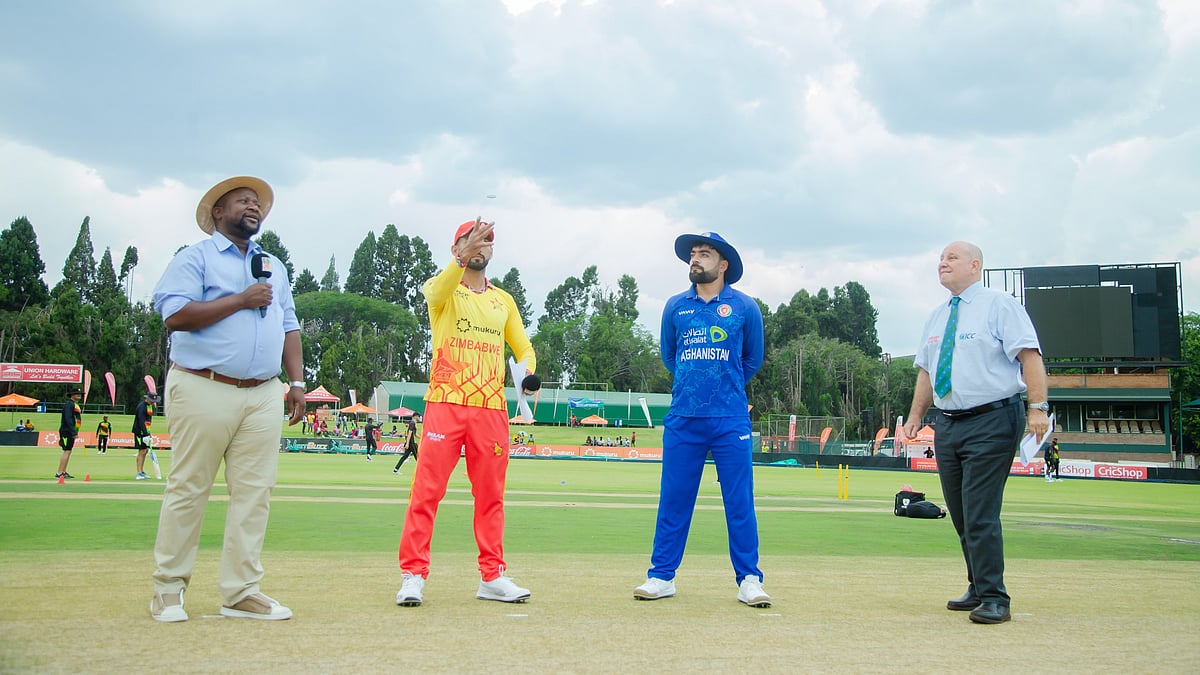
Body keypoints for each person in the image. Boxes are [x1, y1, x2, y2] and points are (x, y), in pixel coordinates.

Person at [147, 176, 305, 623]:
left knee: (255, 494)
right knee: (189, 488)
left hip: (263, 391)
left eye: (257, 203)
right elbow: (175, 315)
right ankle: (168, 589)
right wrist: (241, 300)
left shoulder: (272, 265)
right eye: (242, 200)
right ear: (218, 212)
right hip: (203, 384)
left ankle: (241, 591)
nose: (253, 207)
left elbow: (289, 324)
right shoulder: (194, 258)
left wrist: (297, 382)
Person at [903, 241, 1049, 625]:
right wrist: (916, 415)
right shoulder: (937, 316)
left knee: (980, 511)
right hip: (948, 422)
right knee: (961, 513)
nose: (942, 263)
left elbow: (1030, 356)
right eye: (940, 258)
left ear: (975, 265)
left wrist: (1038, 407)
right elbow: (926, 371)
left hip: (992, 419)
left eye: (951, 258)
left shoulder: (999, 305)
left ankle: (995, 597)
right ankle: (978, 586)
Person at [396, 218, 539, 608]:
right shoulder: (441, 290)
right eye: (471, 239)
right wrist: (460, 258)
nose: (480, 245)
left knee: (491, 496)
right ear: (456, 248)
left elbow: (524, 348)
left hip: (490, 408)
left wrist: (527, 374)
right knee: (427, 492)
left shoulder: (503, 300)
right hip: (445, 401)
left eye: (486, 240)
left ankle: (492, 576)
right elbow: (437, 289)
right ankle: (413, 575)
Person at [634, 231, 769, 608]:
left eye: (704, 254)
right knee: (674, 499)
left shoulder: (744, 307)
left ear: (723, 264)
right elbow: (670, 356)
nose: (695, 259)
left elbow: (752, 358)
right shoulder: (676, 307)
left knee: (739, 501)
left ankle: (749, 579)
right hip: (684, 418)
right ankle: (661, 576)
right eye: (693, 254)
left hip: (730, 419)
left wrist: (725, 384)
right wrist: (694, 385)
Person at [55, 387, 83, 480]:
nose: (79, 395)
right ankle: (59, 472)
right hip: (67, 431)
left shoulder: (74, 404)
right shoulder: (69, 404)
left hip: (70, 431)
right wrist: (73, 431)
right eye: (76, 394)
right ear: (71, 395)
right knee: (67, 450)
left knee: (69, 450)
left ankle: (63, 471)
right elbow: (68, 418)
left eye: (79, 394)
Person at [133, 393, 159, 479]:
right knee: (142, 451)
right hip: (139, 432)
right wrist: (145, 434)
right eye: (152, 400)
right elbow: (141, 421)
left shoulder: (150, 406)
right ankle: (138, 473)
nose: (153, 402)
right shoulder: (142, 407)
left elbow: (148, 421)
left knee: (145, 450)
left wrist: (149, 434)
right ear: (147, 399)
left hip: (146, 432)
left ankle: (142, 471)